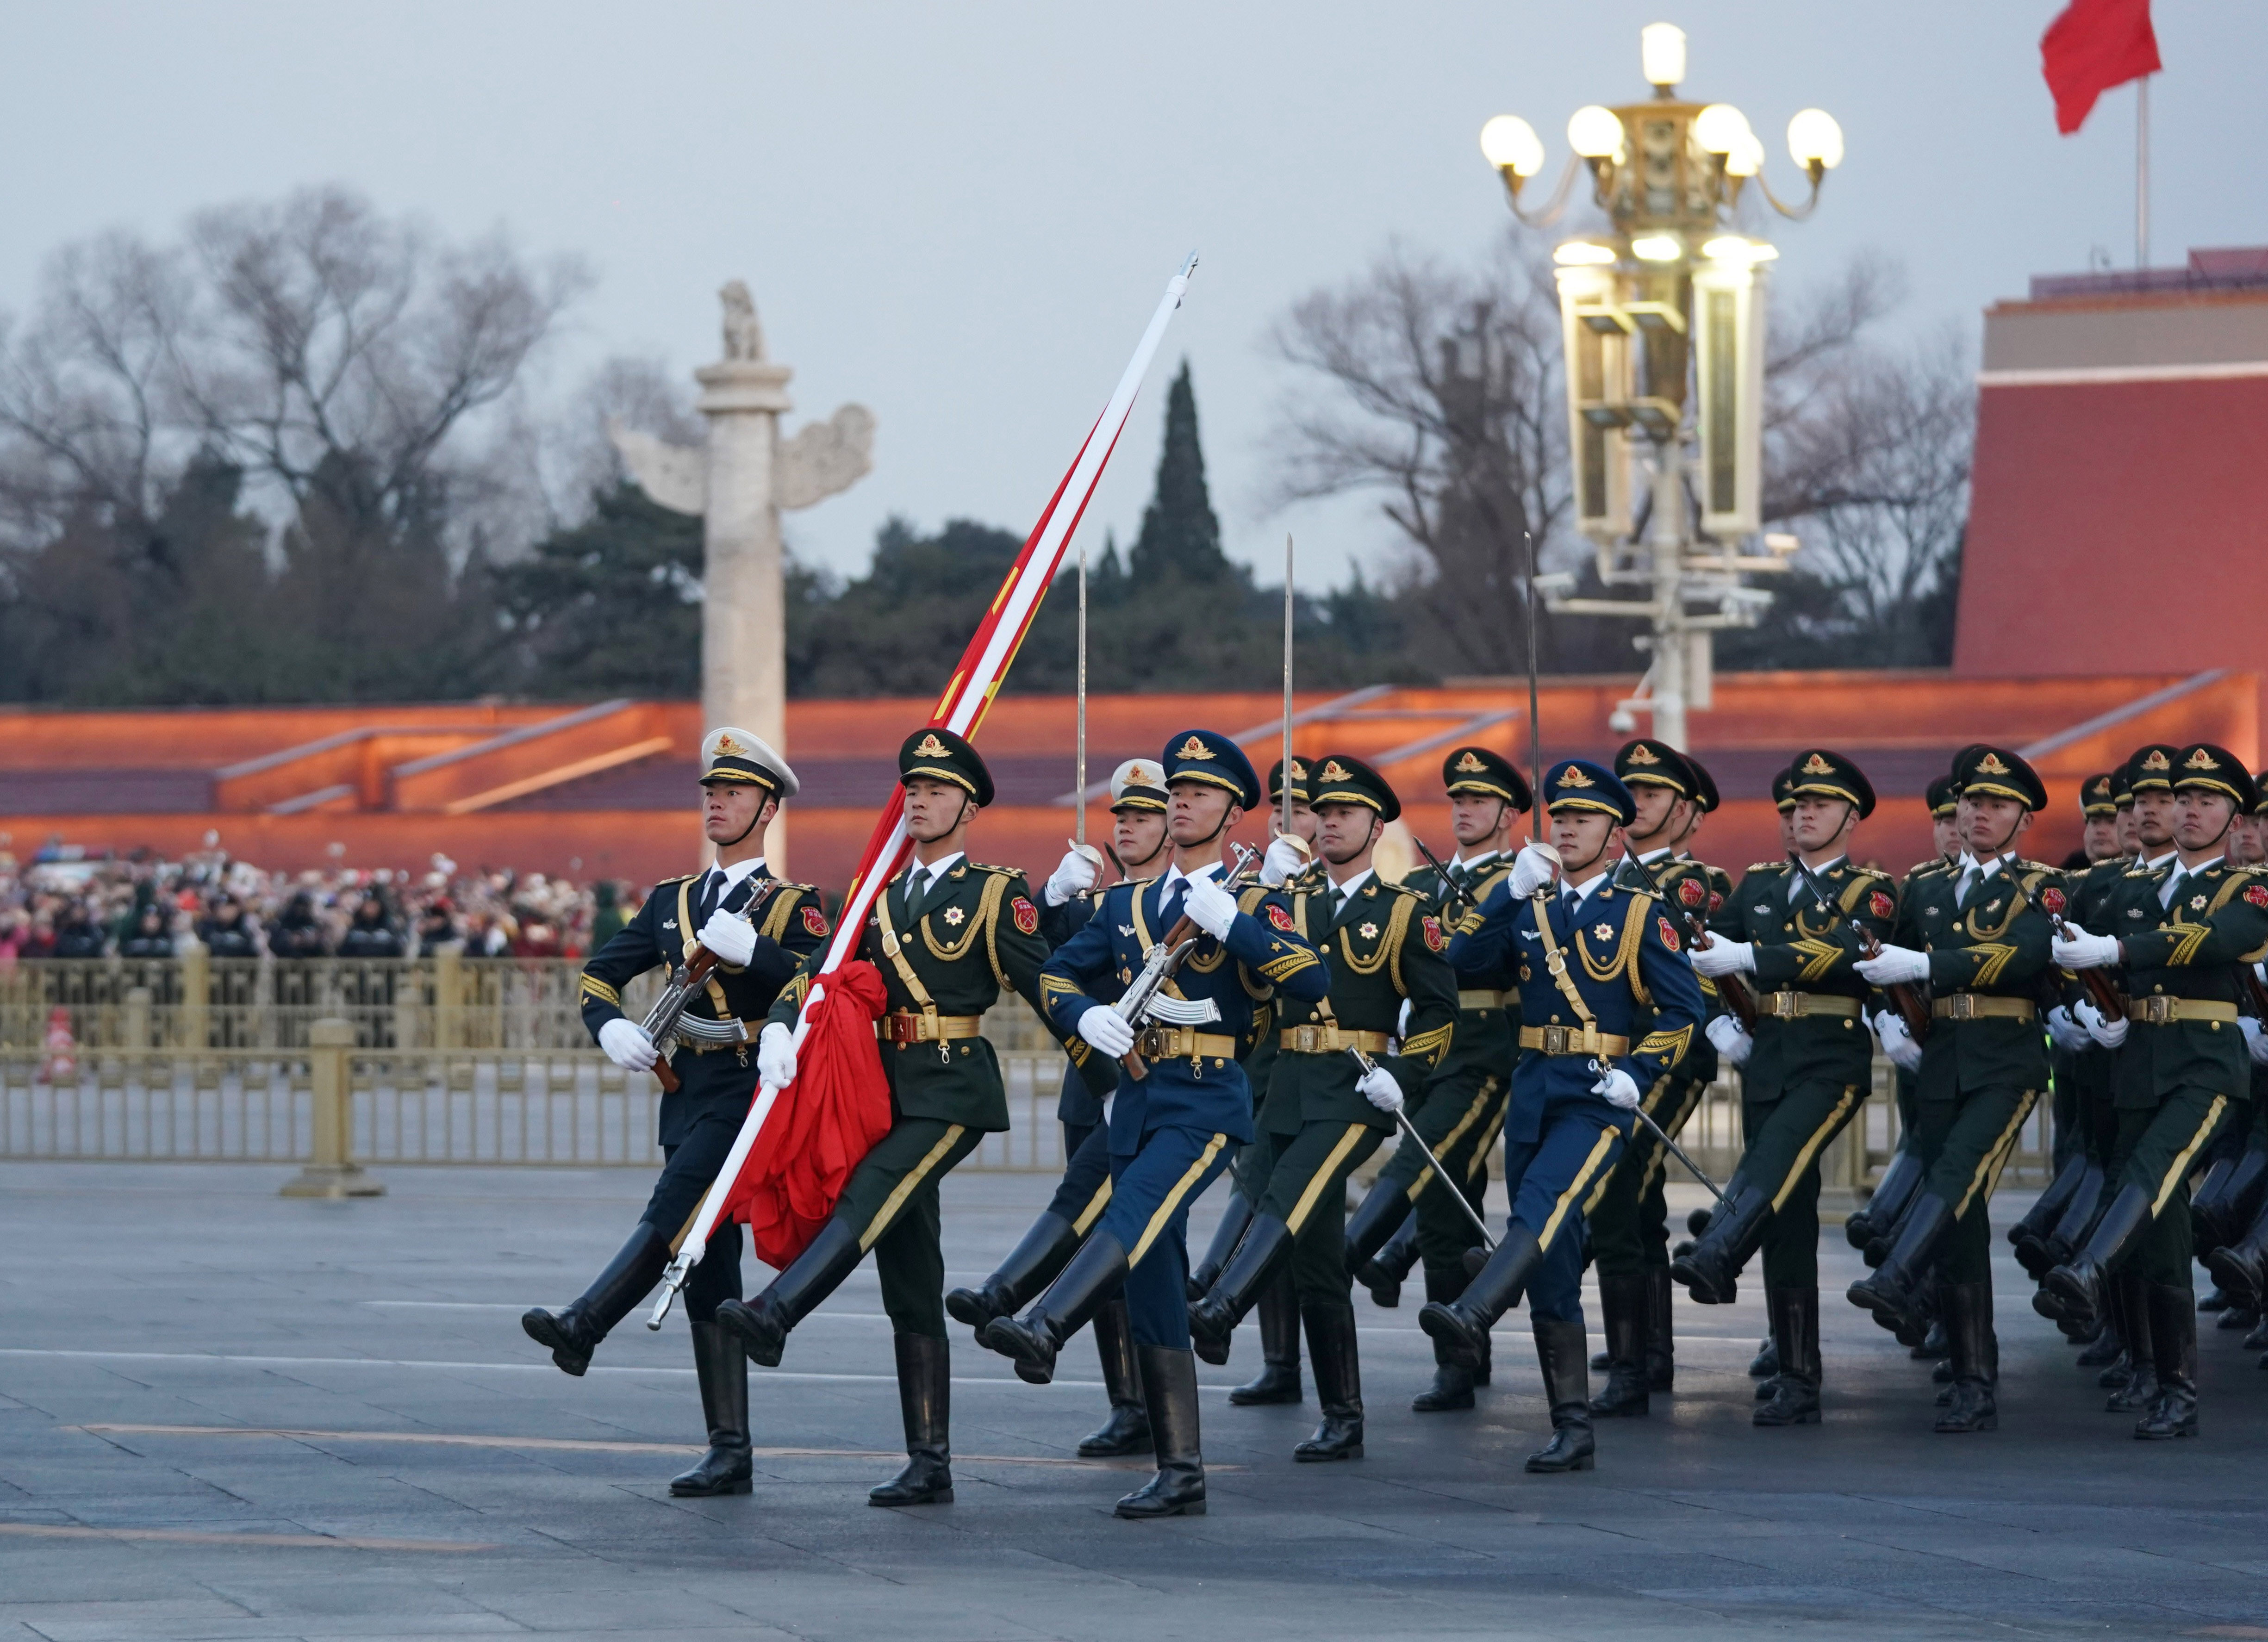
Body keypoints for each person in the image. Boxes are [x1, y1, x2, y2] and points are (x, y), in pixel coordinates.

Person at [716, 728, 1065, 1507]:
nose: (920, 800)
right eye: (912, 788)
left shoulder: (993, 893)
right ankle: (930, 1459)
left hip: (951, 1088)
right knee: (911, 1273)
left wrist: (1106, 1071)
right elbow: (823, 969)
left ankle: (779, 1310)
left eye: (937, 791)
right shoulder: (878, 891)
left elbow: (1048, 987)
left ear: (968, 806)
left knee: (868, 1192)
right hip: (885, 1086)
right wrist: (779, 1018)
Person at [982, 730, 1324, 1518]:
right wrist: (1087, 1012)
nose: (1182, 802)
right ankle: (1181, 1470)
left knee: (1131, 1215)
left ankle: (1047, 1324)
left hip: (1206, 1102)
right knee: (1154, 1280)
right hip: (1137, 1099)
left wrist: (1236, 924)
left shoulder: (1252, 899)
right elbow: (1057, 970)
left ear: (1234, 811)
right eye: (1177, 790)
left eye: (1200, 793)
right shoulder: (1130, 902)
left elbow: (1313, 977)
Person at [521, 728, 827, 1497]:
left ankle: (586, 1323)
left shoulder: (796, 905)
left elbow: (825, 979)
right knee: (709, 1265)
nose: (717, 804)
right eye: (711, 793)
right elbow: (600, 973)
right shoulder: (672, 900)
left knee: (677, 1208)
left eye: (733, 794)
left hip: (751, 1085)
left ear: (768, 809)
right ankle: (730, 1449)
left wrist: (756, 953)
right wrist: (611, 1026)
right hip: (685, 1086)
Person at [1416, 758, 1706, 1471]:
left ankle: (1476, 1309)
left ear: (1615, 834)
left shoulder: (1640, 911)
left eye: (1584, 818)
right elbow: (1461, 961)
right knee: (1553, 1258)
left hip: (1599, 1095)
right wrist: (1504, 897)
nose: (1569, 827)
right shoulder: (1532, 907)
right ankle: (1572, 1425)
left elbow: (1683, 1011)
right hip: (1535, 1088)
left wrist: (1641, 1073)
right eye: (1562, 816)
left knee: (1541, 1207)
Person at [1184, 754, 1458, 1464]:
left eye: (1344, 812)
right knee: (1315, 1262)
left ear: (1375, 825)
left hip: (1355, 1089)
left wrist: (1406, 1072)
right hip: (1289, 1082)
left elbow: (1438, 1011)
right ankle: (1344, 1415)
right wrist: (1255, 890)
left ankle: (1222, 1308)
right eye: (1323, 811)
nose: (1330, 821)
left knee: (1289, 1190)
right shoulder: (1288, 900)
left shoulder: (1403, 911)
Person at [943, 757, 1173, 1459]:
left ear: (1177, 824)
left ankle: (1013, 1300)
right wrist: (1048, 896)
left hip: (1155, 1093)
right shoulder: (1094, 906)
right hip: (1090, 1096)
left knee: (1136, 1250)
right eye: (1120, 817)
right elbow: (1034, 963)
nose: (1126, 827)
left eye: (1143, 815)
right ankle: (1127, 1404)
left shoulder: (1189, 901)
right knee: (1094, 1246)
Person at [2045, 743, 2268, 1439]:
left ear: (2234, 818)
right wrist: (2095, 1007)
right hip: (2138, 1064)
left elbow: (2206, 942)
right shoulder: (2135, 890)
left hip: (2205, 1066)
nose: (2192, 811)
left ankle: (2084, 1270)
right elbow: (2087, 953)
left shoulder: (2247, 891)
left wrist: (2114, 953)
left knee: (2150, 1170)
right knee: (2161, 1233)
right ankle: (2174, 1389)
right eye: (2183, 799)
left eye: (2207, 801)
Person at [1844, 745, 2064, 1433]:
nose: (1979, 814)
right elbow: (1881, 964)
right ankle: (1974, 1379)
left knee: (1959, 1169)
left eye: (1996, 805)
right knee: (1963, 1219)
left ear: (2023, 816)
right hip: (1939, 1059)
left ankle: (1899, 1276)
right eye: (1972, 802)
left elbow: (2022, 955)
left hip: (2007, 1060)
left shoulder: (2043, 887)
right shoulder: (1926, 886)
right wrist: (1885, 1017)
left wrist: (1928, 963)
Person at [1676, 749, 1897, 1427]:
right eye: (1796, 807)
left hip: (1829, 1058)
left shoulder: (1873, 890)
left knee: (1774, 1156)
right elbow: (1705, 953)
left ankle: (1718, 1248)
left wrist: (1752, 958)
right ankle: (1799, 1375)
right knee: (1788, 1215)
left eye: (1820, 806)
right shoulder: (1762, 884)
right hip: (1765, 1054)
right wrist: (1717, 1022)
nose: (1803, 816)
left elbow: (1846, 955)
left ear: (1851, 817)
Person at [1340, 746, 1528, 1412]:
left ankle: (1355, 1250)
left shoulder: (1523, 881)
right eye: (1458, 800)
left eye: (1479, 800)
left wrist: (1510, 897)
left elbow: (1480, 957)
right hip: (1421, 1048)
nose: (1465, 810)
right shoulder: (1420, 886)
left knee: (1422, 1163)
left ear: (1508, 812)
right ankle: (1458, 1363)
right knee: (1447, 1211)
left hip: (1481, 1052)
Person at [1584, 740, 1724, 1418]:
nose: (1636, 804)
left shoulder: (1694, 881)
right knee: (1633, 1205)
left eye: (1652, 793)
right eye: (1629, 791)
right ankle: (1646, 1352)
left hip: (1668, 1055)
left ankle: (1635, 1367)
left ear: (1687, 810)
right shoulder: (1602, 879)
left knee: (1617, 1183)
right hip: (1612, 1059)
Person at [1188, 755, 1319, 1409]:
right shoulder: (1251, 884)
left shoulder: (1329, 891)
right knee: (1256, 1187)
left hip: (1321, 1068)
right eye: (1282, 809)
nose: (1290, 821)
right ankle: (1277, 1361)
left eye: (1307, 810)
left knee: (1283, 1211)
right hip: (1262, 1061)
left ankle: (1216, 1282)